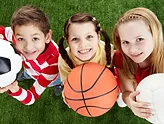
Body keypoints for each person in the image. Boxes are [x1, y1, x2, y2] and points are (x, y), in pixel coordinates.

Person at [57, 13, 126, 107]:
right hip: (82, 86)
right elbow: (67, 83)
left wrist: (112, 89)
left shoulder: (106, 50)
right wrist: (72, 97)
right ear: (68, 42)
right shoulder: (65, 60)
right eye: (75, 39)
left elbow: (115, 72)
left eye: (89, 37)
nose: (83, 45)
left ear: (98, 36)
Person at [0, 5, 63, 105]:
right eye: (21, 39)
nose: (28, 47)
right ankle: (26, 74)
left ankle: (59, 85)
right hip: (29, 68)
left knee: (56, 81)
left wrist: (14, 88)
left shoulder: (52, 64)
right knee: (28, 72)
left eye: (35, 38)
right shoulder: (16, 36)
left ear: (47, 36)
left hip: (51, 77)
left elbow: (31, 98)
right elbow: (2, 32)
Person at [112, 7, 164, 119]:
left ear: (155, 35)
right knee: (123, 99)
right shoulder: (121, 57)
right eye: (125, 42)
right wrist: (130, 101)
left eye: (139, 39)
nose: (132, 50)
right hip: (132, 81)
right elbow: (127, 90)